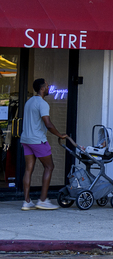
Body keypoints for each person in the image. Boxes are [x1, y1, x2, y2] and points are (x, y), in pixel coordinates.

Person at [21, 78, 66, 211]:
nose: (48, 88)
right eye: (47, 86)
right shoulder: (42, 104)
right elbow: (48, 123)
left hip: (26, 139)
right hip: (38, 140)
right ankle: (43, 200)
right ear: (42, 88)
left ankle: (26, 201)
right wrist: (60, 135)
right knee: (49, 166)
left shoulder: (29, 102)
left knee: (28, 170)